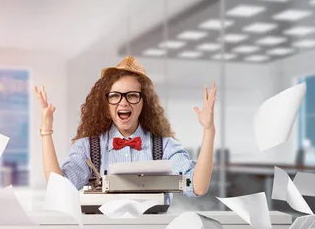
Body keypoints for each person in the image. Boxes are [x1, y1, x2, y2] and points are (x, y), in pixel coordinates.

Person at [34, 55, 216, 200]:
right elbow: (59, 188)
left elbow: (197, 186)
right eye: (115, 95)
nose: (123, 102)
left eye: (132, 95)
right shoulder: (88, 148)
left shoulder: (165, 147)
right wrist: (46, 131)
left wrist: (209, 131)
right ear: (105, 102)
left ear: (144, 102)